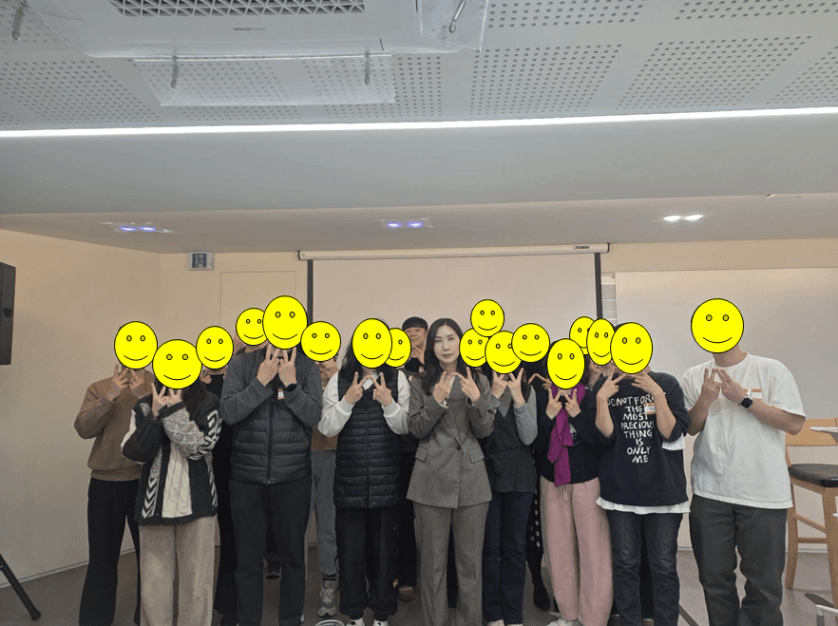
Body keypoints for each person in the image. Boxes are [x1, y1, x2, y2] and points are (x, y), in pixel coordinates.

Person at [683, 341, 805, 626]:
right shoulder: (694, 375)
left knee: (764, 585)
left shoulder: (771, 369)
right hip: (710, 492)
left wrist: (745, 399)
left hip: (763, 493)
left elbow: (794, 424)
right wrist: (705, 400)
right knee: (714, 580)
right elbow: (691, 427)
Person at [219, 345, 322, 626]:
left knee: (293, 560)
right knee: (247, 561)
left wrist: (292, 385)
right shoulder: (241, 364)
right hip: (247, 478)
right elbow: (229, 412)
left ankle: (290, 620)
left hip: (293, 478)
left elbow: (314, 417)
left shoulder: (307, 367)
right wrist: (260, 381)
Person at [407, 318, 493, 626]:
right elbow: (416, 429)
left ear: (461, 341)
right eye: (438, 340)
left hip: (471, 479)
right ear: (431, 346)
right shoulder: (419, 382)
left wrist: (476, 400)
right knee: (432, 568)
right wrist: (435, 402)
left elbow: (485, 430)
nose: (446, 346)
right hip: (430, 479)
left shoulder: (478, 379)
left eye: (451, 338)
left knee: (471, 566)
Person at [592, 357, 690, 626]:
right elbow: (606, 437)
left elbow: (672, 433)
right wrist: (601, 399)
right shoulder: (606, 386)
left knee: (663, 566)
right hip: (620, 494)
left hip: (663, 494)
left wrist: (657, 395)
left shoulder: (667, 383)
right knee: (625, 565)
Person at [318, 348, 411, 626]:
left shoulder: (397, 377)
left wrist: (389, 403)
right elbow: (327, 428)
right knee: (350, 555)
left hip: (387, 484)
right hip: (350, 484)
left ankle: (381, 616)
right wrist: (347, 401)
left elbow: (406, 427)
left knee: (385, 556)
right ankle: (355, 617)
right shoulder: (340, 379)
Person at [121, 379, 220, 626]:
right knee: (153, 584)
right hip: (153, 504)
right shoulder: (143, 406)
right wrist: (154, 416)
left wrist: (174, 412)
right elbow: (133, 453)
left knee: (197, 582)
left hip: (199, 503)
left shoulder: (208, 402)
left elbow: (198, 449)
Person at [75, 363, 152, 626]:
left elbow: (168, 428)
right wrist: (109, 397)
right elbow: (83, 429)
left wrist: (145, 398)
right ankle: (94, 620)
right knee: (102, 558)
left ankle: (149, 618)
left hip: (148, 482)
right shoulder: (100, 388)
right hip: (105, 483)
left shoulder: (161, 384)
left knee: (151, 559)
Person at [539, 357, 612, 626]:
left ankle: (593, 619)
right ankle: (568, 616)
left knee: (594, 552)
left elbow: (602, 444)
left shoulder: (591, 398)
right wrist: (547, 416)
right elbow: (534, 445)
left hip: (587, 482)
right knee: (558, 551)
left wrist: (578, 416)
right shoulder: (544, 397)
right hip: (552, 482)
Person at [479, 365, 537, 626]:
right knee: (489, 547)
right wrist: (492, 395)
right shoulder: (481, 387)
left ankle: (513, 614)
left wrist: (518, 399)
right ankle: (493, 613)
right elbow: (480, 432)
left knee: (515, 547)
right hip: (486, 475)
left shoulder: (527, 390)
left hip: (520, 475)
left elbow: (529, 437)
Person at [311, 357, 340, 617]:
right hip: (298, 455)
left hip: (331, 454)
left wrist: (336, 378)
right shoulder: (298, 373)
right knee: (294, 527)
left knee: (329, 523)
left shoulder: (341, 379)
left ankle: (329, 582)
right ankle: (292, 592)